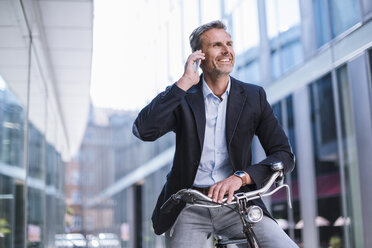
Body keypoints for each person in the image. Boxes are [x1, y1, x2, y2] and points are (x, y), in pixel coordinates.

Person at [133, 20, 298, 248]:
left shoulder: (253, 96)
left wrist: (241, 177)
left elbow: (284, 155)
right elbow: (143, 130)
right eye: (217, 45)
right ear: (199, 56)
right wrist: (182, 85)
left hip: (238, 203)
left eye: (229, 43)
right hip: (190, 206)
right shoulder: (183, 96)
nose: (226, 50)